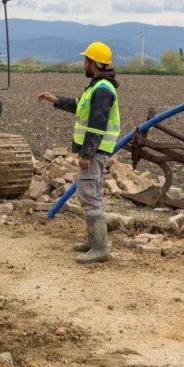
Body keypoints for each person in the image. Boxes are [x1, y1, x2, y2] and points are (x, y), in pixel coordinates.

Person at [37, 41, 121, 264]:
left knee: (89, 195)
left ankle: (100, 248)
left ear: (94, 64)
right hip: (96, 151)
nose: (83, 64)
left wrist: (87, 154)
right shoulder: (97, 87)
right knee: (89, 193)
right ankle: (93, 242)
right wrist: (55, 100)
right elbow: (79, 106)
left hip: (95, 152)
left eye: (86, 61)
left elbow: (96, 125)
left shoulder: (102, 90)